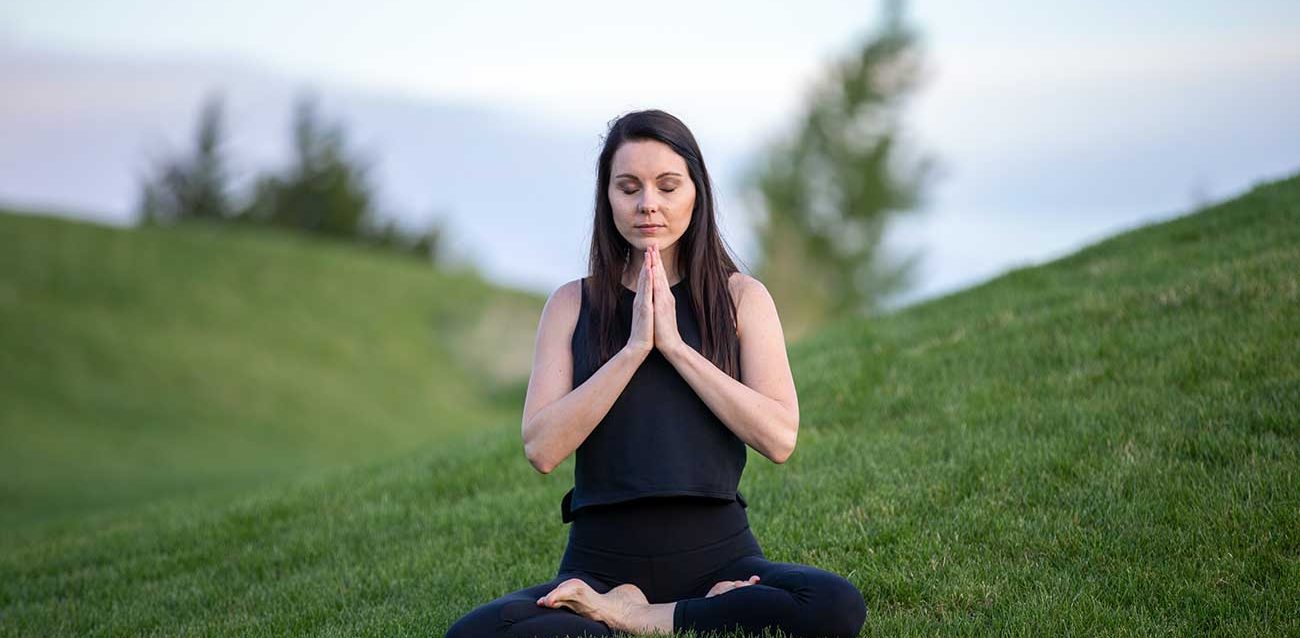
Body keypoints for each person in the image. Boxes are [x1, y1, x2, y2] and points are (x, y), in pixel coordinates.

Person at [445, 109, 867, 637]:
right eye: (629, 187)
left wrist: (675, 346)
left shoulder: (742, 299)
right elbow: (542, 448)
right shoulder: (570, 304)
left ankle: (644, 619)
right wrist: (634, 348)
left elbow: (779, 437)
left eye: (668, 186)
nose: (649, 203)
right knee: (474, 634)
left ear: (696, 192)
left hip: (721, 561)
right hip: (598, 567)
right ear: (608, 199)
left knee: (833, 604)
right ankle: (621, 610)